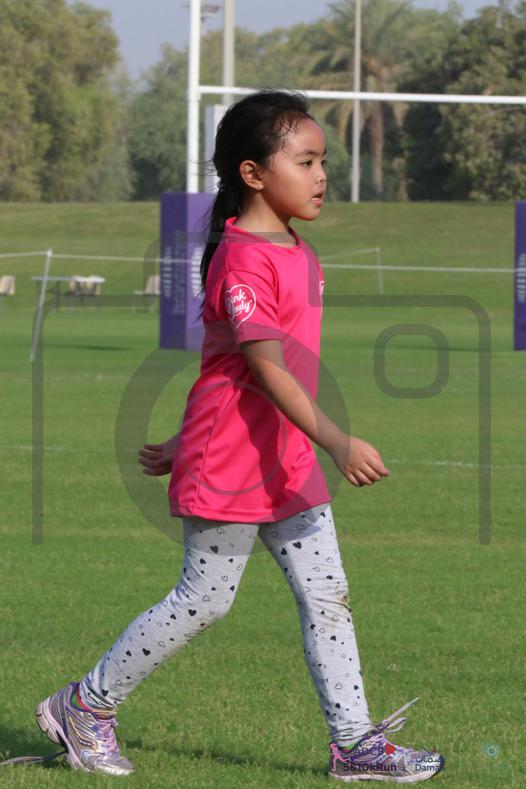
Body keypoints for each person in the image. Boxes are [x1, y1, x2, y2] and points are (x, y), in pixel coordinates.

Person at [35, 89, 444, 782]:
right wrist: (337, 440)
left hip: (284, 459)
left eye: (323, 161)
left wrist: (181, 437)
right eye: (305, 161)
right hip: (232, 464)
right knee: (204, 600)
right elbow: (265, 368)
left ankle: (355, 744)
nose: (321, 176)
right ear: (253, 173)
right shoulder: (245, 259)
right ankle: (84, 705)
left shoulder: (298, 251)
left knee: (328, 597)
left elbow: (224, 367)